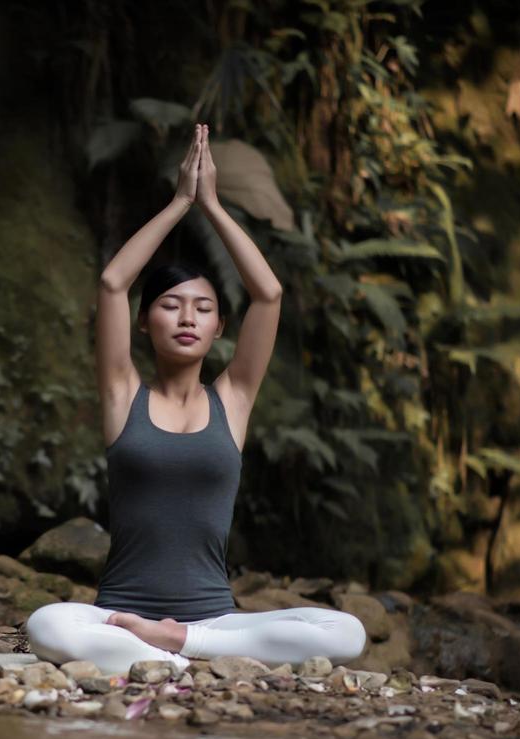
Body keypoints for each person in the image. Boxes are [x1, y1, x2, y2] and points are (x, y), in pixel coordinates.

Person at [25, 124, 366, 675]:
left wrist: (212, 204)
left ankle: (174, 646)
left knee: (347, 632)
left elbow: (269, 293)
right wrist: (180, 201)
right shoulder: (123, 395)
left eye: (203, 308)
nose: (187, 317)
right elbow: (114, 281)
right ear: (143, 323)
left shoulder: (233, 399)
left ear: (219, 327)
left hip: (212, 619)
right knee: (46, 625)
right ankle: (183, 656)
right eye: (170, 305)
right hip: (119, 612)